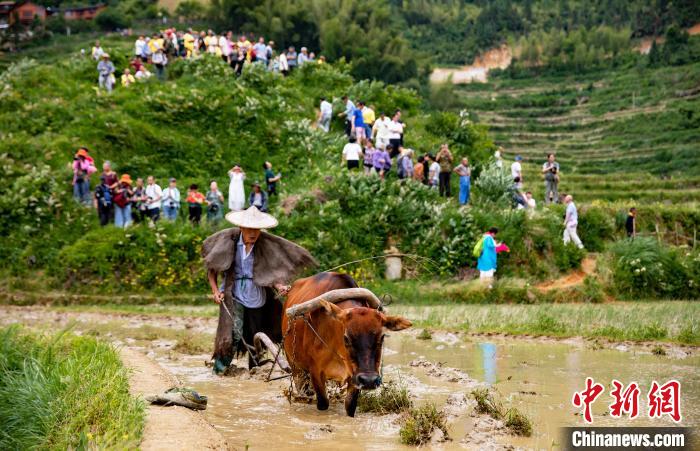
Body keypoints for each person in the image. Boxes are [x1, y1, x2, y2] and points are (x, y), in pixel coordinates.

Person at [203, 206, 316, 373]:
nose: (253, 233)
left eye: (256, 229)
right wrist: (215, 291)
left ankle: (255, 368)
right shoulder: (230, 243)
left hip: (257, 293)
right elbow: (212, 271)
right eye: (249, 229)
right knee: (233, 331)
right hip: (233, 292)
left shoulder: (263, 246)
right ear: (241, 228)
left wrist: (280, 286)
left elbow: (270, 272)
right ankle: (220, 369)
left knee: (257, 331)